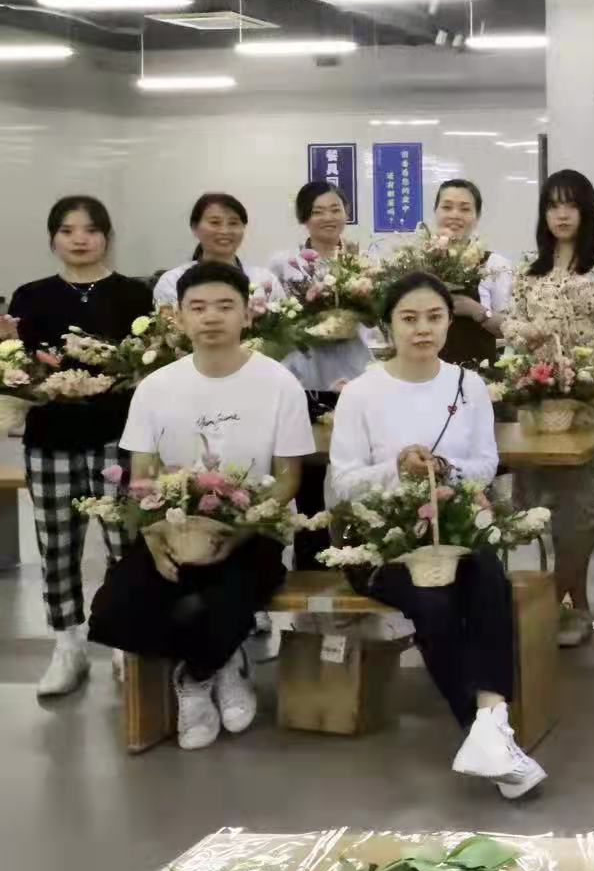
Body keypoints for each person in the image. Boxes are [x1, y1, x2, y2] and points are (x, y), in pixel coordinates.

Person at [327, 272, 546, 799]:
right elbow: (343, 482)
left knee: (489, 577)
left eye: (434, 317)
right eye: (409, 318)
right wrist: (396, 469)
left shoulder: (469, 386)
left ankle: (491, 723)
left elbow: (486, 464)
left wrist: (444, 469)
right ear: (388, 326)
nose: (422, 329)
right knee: (434, 603)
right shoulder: (361, 393)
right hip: (380, 541)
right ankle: (486, 735)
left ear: (449, 322)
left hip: (455, 530)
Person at [86, 262, 315, 751]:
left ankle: (196, 678)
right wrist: (156, 537)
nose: (211, 317)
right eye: (199, 307)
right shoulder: (156, 387)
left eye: (225, 306)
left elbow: (289, 477)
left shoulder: (279, 385)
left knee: (224, 596)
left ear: (247, 315)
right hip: (171, 531)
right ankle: (224, 660)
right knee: (113, 611)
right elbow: (142, 475)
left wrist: (243, 528)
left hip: (251, 534)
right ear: (179, 318)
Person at [0, 197, 156, 697]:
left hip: (119, 439)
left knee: (124, 544)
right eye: (67, 230)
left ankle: (123, 638)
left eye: (90, 229)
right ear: (53, 238)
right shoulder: (30, 296)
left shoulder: (134, 294)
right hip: (51, 441)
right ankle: (67, 646)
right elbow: (17, 366)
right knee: (58, 546)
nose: (79, 239)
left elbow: (151, 364)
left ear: (106, 236)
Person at [510, 170, 594, 648]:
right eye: (552, 206)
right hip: (545, 405)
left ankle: (555, 602)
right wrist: (525, 338)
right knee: (553, 508)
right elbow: (514, 325)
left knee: (586, 509)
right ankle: (573, 606)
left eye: (571, 205)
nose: (561, 215)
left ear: (586, 211)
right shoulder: (529, 267)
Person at [270, 181, 375, 569]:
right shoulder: (285, 264)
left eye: (335, 209)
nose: (329, 217)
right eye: (318, 211)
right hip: (306, 377)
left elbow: (376, 318)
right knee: (310, 479)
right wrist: (309, 324)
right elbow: (275, 322)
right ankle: (311, 559)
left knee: (357, 473)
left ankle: (358, 556)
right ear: (304, 218)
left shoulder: (363, 261)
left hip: (355, 377)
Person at [430, 179, 516, 368]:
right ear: (435, 211)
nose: (455, 215)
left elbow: (510, 329)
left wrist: (475, 310)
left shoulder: (495, 265)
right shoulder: (418, 263)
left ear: (477, 217)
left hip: (479, 373)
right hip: (425, 373)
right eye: (447, 207)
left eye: (465, 209)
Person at [152, 193, 283, 308]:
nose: (225, 231)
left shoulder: (265, 280)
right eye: (215, 223)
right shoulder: (172, 281)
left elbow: (284, 324)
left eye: (233, 223)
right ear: (194, 228)